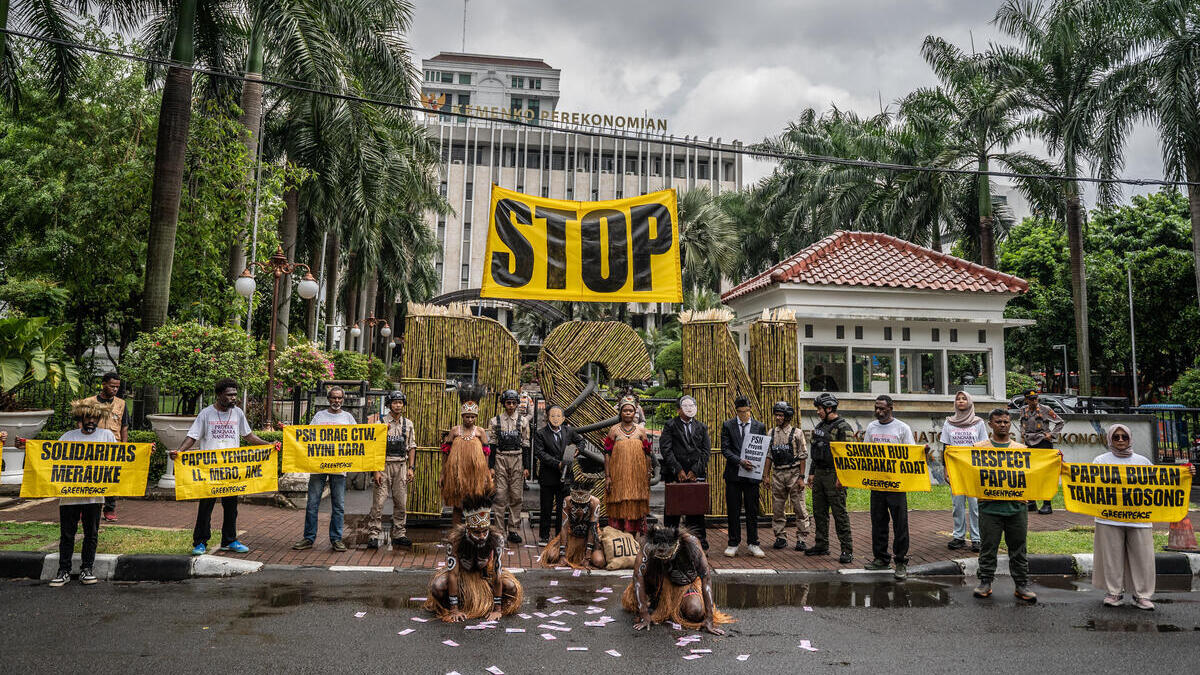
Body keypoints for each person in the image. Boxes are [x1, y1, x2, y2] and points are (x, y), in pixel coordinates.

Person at [20, 399, 142, 587]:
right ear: (81, 418)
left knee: (91, 533)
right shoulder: (68, 436)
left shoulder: (107, 436)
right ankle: (64, 570)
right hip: (69, 497)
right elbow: (51, 458)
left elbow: (121, 456)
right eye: (88, 417)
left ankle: (87, 569)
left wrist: (146, 451)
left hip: (94, 495)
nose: (91, 420)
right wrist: (28, 447)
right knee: (67, 534)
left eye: (94, 417)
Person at [1091, 424, 1195, 610]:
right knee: (1111, 556)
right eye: (1116, 437)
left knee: (1143, 557)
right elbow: (1088, 483)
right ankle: (1114, 592)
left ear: (1130, 439)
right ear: (1109, 439)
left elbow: (1160, 483)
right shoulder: (1100, 461)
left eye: (1124, 437)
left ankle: (1142, 596)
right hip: (1108, 517)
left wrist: (1185, 474)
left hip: (1139, 517)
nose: (1121, 440)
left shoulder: (1143, 462)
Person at [170, 378, 276, 556]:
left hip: (231, 469)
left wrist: (268, 444)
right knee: (206, 506)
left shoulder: (238, 413)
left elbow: (248, 436)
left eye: (235, 394)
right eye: (229, 395)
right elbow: (193, 436)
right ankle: (200, 542)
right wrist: (179, 451)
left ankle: (229, 540)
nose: (233, 398)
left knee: (231, 507)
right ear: (219, 395)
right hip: (209, 470)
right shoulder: (205, 414)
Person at [971, 408, 1037, 603]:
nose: (1002, 425)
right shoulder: (979, 448)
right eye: (998, 422)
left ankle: (1021, 584)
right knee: (988, 547)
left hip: (1016, 508)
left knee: (1018, 548)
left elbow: (1033, 475)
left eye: (1006, 422)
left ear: (1010, 424)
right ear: (990, 424)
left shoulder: (1021, 450)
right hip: (989, 507)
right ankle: (985, 581)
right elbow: (969, 473)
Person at [423, 493, 523, 622]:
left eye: (484, 531)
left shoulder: (497, 538)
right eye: (476, 532)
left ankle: (489, 604)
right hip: (462, 577)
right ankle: (455, 605)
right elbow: (453, 575)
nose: (482, 536)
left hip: (485, 576)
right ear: (468, 529)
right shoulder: (455, 540)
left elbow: (497, 575)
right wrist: (454, 610)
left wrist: (497, 609)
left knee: (511, 587)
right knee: (437, 587)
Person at [622, 524, 733, 635]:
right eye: (659, 553)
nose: (664, 559)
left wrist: (709, 619)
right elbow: (638, 577)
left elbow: (706, 578)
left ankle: (675, 607)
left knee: (695, 611)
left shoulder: (692, 543)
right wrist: (644, 613)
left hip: (684, 585)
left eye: (666, 555)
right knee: (635, 601)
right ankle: (659, 604)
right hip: (656, 584)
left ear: (675, 545)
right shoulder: (648, 546)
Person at [289, 386, 357, 552]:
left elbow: (358, 437)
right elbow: (308, 436)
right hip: (318, 466)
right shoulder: (319, 416)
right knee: (313, 503)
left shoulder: (348, 418)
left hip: (339, 468)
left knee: (338, 505)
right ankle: (308, 538)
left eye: (339, 398)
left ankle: (336, 539)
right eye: (334, 398)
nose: (337, 401)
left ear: (343, 399)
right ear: (328, 399)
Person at [862, 395, 921, 581]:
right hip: (877, 483)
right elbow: (866, 452)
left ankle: (901, 561)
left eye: (882, 409)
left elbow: (910, 454)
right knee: (878, 522)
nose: (878, 412)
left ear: (891, 408)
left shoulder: (902, 428)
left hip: (896, 485)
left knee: (900, 523)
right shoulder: (872, 427)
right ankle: (881, 558)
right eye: (876, 408)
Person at [807, 392, 854, 563]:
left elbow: (848, 456)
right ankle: (821, 544)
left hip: (835, 475)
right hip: (819, 473)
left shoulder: (844, 427)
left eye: (819, 408)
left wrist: (843, 477)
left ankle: (847, 550)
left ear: (829, 408)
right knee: (819, 512)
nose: (818, 412)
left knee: (839, 513)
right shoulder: (820, 426)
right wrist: (811, 473)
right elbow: (815, 451)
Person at [366, 390, 416, 549]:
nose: (398, 405)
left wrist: (411, 468)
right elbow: (373, 447)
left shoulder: (408, 424)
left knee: (401, 502)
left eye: (400, 402)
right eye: (395, 402)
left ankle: (399, 533)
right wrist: (375, 470)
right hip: (383, 466)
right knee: (378, 502)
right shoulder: (380, 422)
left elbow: (412, 447)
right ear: (389, 404)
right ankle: (373, 534)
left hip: (401, 466)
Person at [659, 395, 710, 548]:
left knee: (696, 511)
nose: (689, 409)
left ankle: (700, 544)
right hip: (675, 474)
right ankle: (669, 542)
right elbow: (666, 449)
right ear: (678, 409)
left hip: (696, 475)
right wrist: (678, 469)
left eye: (691, 406)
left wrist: (695, 470)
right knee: (672, 511)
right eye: (685, 406)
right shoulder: (670, 425)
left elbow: (705, 451)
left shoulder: (701, 427)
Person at [78, 373, 129, 523]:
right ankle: (84, 508)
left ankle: (109, 509)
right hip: (92, 446)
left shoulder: (121, 403)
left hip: (113, 447)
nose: (115, 389)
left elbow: (124, 427)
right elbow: (80, 423)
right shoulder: (89, 402)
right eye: (112, 386)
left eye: (117, 387)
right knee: (88, 478)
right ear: (103, 384)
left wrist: (123, 447)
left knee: (110, 478)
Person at [720, 395, 766, 558]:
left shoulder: (760, 426)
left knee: (752, 510)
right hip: (733, 474)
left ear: (750, 409)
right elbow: (725, 449)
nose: (744, 414)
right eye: (741, 412)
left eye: (746, 411)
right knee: (733, 510)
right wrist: (739, 461)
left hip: (752, 475)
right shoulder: (728, 425)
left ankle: (753, 543)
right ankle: (733, 543)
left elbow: (762, 448)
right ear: (736, 411)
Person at [440, 385, 493, 525]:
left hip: (475, 474)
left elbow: (486, 454)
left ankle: (474, 530)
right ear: (462, 416)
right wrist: (443, 473)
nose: (470, 419)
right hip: (457, 473)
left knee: (474, 504)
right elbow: (445, 452)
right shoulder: (455, 431)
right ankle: (456, 534)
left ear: (476, 417)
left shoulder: (480, 432)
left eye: (472, 417)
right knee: (457, 505)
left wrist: (487, 474)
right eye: (467, 416)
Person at [942, 391, 987, 552]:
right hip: (956, 469)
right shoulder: (949, 423)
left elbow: (984, 447)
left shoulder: (978, 423)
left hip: (973, 469)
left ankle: (977, 539)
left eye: (964, 399)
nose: (960, 401)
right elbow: (945, 448)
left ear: (969, 401)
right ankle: (959, 537)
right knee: (957, 504)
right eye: (958, 399)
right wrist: (946, 469)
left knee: (975, 505)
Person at [533, 405, 584, 545]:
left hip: (566, 476)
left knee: (563, 507)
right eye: (552, 416)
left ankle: (559, 535)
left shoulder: (569, 431)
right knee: (546, 507)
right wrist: (557, 464)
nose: (555, 419)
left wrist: (577, 450)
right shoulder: (540, 433)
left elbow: (581, 441)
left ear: (563, 418)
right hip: (548, 476)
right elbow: (540, 454)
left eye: (558, 416)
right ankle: (544, 536)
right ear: (548, 417)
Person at [765, 401, 810, 552]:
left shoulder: (797, 433)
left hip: (794, 473)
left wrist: (802, 477)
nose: (777, 417)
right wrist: (765, 476)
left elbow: (803, 456)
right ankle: (780, 537)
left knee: (799, 507)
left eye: (781, 415)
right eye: (776, 414)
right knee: (778, 507)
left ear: (787, 417)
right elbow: (769, 456)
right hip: (777, 474)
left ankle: (802, 538)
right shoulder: (771, 433)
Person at [605, 396, 653, 535]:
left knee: (634, 504)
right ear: (620, 412)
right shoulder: (613, 430)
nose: (627, 413)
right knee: (617, 503)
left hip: (637, 477)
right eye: (624, 410)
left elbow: (647, 454)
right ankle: (617, 537)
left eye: (630, 411)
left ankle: (632, 536)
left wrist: (648, 472)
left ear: (635, 413)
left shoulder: (641, 431)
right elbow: (607, 454)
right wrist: (607, 476)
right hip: (618, 476)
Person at [490, 389, 531, 544]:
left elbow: (526, 444)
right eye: (508, 402)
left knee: (516, 496)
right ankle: (499, 531)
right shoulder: (495, 421)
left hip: (517, 458)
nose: (511, 406)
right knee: (500, 496)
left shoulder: (523, 421)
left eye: (514, 403)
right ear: (504, 403)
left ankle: (513, 529)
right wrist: (491, 466)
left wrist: (527, 466)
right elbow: (492, 445)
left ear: (517, 404)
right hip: (500, 458)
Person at [540, 478, 606, 569]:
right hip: (572, 537)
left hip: (589, 539)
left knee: (599, 561)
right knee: (551, 556)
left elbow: (592, 528)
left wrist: (587, 556)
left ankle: (585, 557)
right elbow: (564, 527)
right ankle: (568, 555)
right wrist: (562, 555)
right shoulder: (567, 501)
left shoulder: (594, 502)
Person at [1017, 388, 1064, 515]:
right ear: (1026, 400)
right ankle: (1031, 502)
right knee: (1029, 473)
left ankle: (1047, 504)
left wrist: (1052, 435)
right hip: (1029, 444)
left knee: (1044, 475)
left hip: (1043, 444)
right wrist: (1022, 432)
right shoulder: (1023, 410)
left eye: (1036, 398)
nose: (1034, 401)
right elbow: (1022, 423)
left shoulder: (1045, 409)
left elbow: (1060, 422)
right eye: (1031, 399)